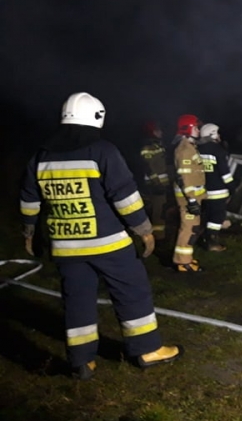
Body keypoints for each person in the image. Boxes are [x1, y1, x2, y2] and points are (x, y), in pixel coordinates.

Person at [19, 92, 184, 379]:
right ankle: (146, 349)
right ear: (97, 117)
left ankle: (81, 361)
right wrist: (144, 230)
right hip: (108, 243)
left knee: (77, 299)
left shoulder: (42, 155)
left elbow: (29, 198)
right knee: (132, 291)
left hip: (66, 246)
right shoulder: (102, 150)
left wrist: (30, 232)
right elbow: (124, 195)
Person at [169, 114, 206, 272]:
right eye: (196, 128)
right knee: (189, 228)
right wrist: (191, 200)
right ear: (188, 129)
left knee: (193, 227)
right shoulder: (185, 150)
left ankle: (185, 259)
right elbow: (185, 177)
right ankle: (182, 262)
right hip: (188, 199)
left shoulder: (190, 147)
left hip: (193, 197)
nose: (198, 131)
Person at [197, 123, 235, 252]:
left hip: (203, 190)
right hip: (218, 190)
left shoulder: (197, 149)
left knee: (208, 214)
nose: (219, 136)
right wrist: (232, 187)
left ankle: (204, 238)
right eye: (217, 133)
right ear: (212, 134)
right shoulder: (218, 150)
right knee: (217, 217)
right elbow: (225, 173)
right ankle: (211, 242)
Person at [139, 121, 170, 244]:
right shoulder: (147, 148)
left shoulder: (158, 145)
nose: (161, 132)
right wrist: (156, 182)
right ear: (152, 132)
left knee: (161, 210)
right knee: (158, 211)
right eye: (158, 130)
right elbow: (148, 167)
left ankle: (160, 235)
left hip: (162, 184)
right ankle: (158, 238)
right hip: (156, 185)